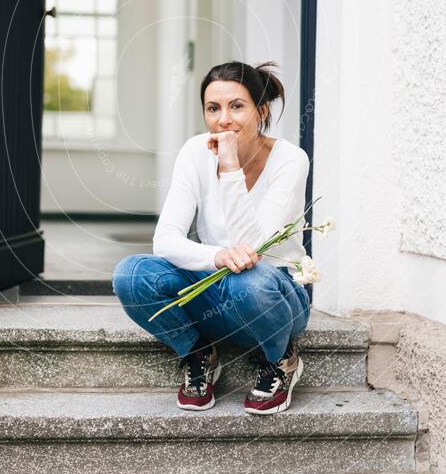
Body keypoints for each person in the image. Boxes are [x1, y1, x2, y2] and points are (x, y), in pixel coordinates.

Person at [112, 60, 311, 414]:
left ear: (261, 110)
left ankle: (281, 359)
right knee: (131, 274)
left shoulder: (291, 160)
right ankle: (198, 352)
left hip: (273, 293)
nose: (223, 120)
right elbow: (166, 240)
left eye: (237, 106)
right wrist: (216, 257)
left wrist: (231, 166)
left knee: (248, 281)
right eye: (213, 108)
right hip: (214, 283)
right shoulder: (194, 152)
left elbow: (254, 246)